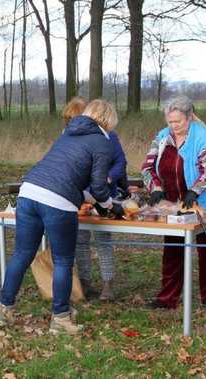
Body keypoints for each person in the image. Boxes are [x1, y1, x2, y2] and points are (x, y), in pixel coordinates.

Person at [0, 99, 124, 335]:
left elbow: (67, 176)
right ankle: (61, 318)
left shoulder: (68, 132)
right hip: (58, 202)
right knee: (63, 260)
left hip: (29, 192)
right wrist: (112, 206)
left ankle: (4, 310)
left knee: (22, 254)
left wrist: (92, 198)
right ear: (109, 120)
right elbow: (98, 187)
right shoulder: (103, 142)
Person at [141, 96, 206, 309]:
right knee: (172, 249)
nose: (173, 126)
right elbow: (147, 166)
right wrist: (155, 188)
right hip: (174, 204)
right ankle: (167, 298)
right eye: (170, 122)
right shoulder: (163, 137)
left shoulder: (204, 139)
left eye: (178, 122)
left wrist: (194, 191)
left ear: (189, 117)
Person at [63, 97, 128, 301]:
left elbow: (120, 161)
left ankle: (108, 283)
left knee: (103, 239)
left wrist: (108, 177)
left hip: (104, 193)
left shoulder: (110, 137)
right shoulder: (68, 137)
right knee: (80, 241)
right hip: (80, 197)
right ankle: (84, 282)